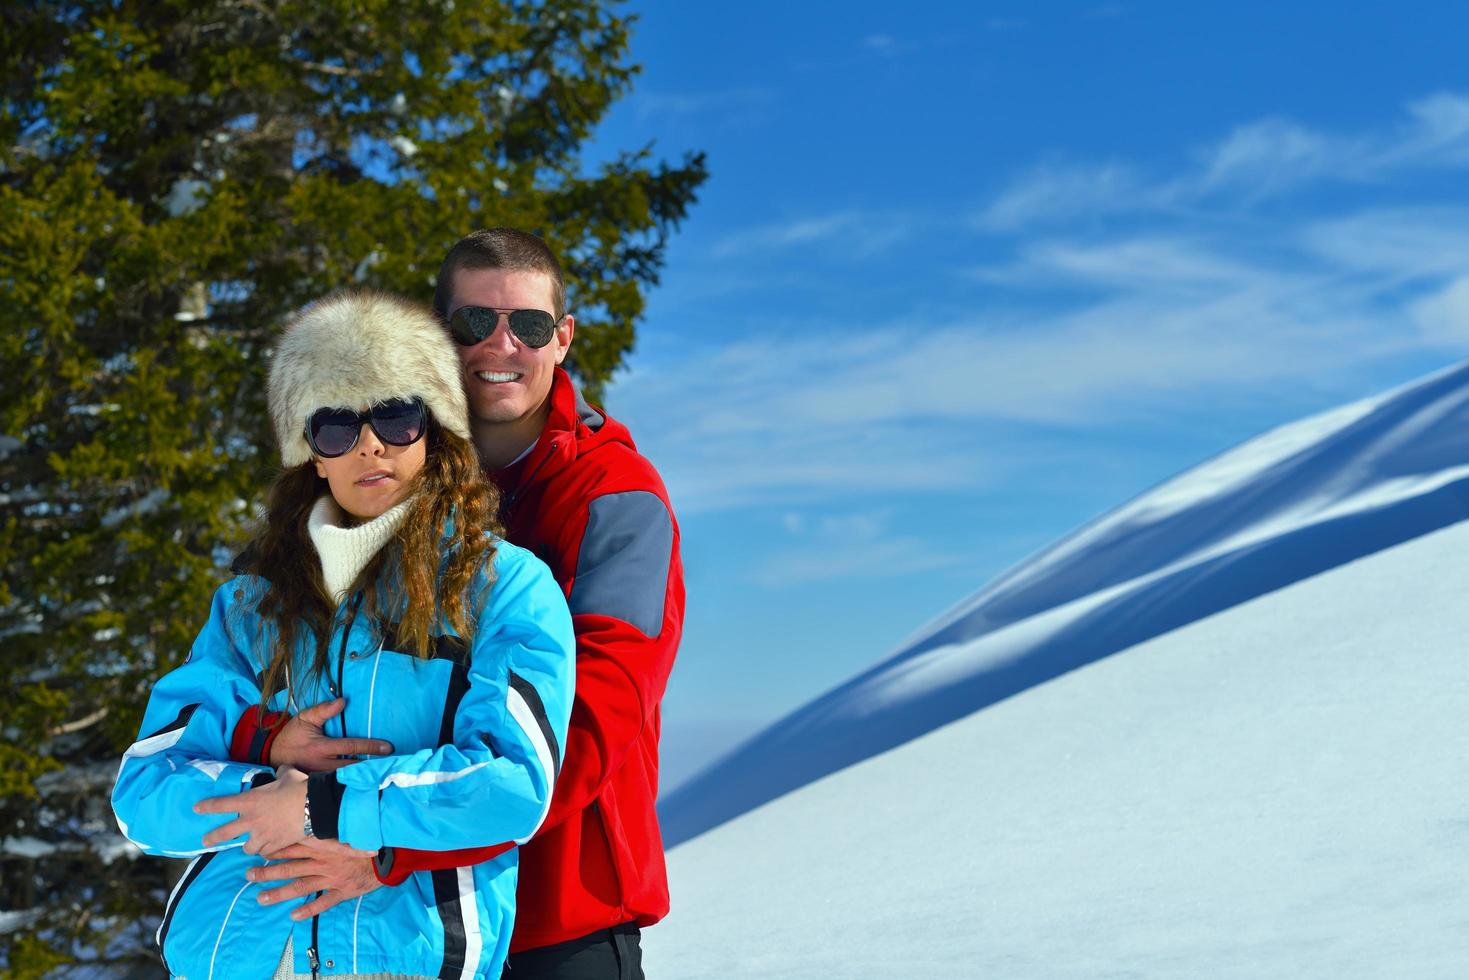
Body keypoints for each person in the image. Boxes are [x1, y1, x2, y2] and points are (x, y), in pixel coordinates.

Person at [229, 230, 684, 979]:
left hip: (555, 917)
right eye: (475, 322)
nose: (500, 344)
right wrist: (271, 743)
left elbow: (595, 720)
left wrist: (390, 844)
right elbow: (269, 649)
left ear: (561, 339)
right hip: (404, 930)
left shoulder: (614, 501)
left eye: (528, 326)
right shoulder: (379, 466)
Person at [111, 290, 576, 979]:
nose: (368, 445)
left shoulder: (502, 587)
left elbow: (511, 786)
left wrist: (324, 807)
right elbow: (144, 791)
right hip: (230, 956)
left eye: (395, 416)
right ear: (314, 457)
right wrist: (268, 781)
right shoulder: (249, 605)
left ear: (435, 432)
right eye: (335, 427)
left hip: (401, 957)